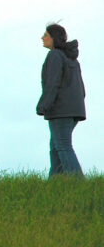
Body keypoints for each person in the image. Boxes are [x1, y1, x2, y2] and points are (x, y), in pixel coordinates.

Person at [37, 23, 85, 177]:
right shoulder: (72, 59)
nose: (42, 38)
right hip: (74, 110)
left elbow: (53, 83)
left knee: (63, 146)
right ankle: (55, 184)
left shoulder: (55, 55)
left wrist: (43, 105)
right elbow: (81, 88)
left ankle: (78, 183)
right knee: (56, 147)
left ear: (54, 38)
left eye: (46, 35)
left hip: (60, 110)